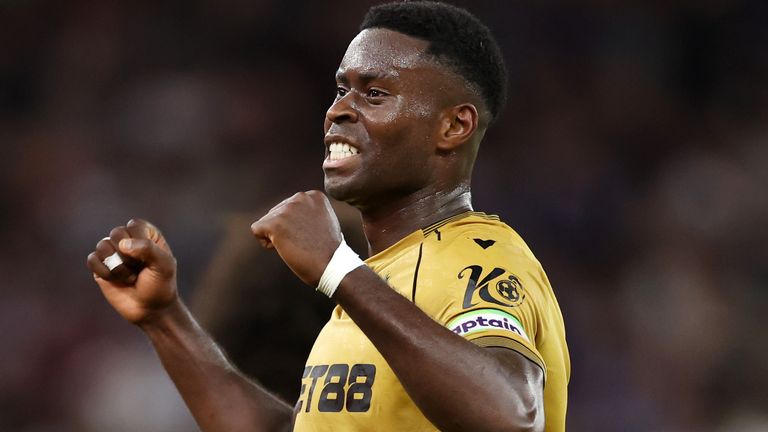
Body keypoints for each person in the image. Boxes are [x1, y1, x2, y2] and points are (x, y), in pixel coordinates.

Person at [86, 2, 570, 431]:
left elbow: (512, 415)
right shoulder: (376, 284)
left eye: (374, 94)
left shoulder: (479, 256)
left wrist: (337, 267)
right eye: (341, 90)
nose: (339, 110)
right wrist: (164, 320)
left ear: (453, 126)